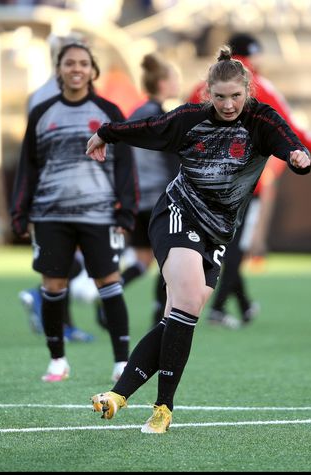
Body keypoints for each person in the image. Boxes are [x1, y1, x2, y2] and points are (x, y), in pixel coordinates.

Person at [86, 45, 311, 434]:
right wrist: (105, 133)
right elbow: (147, 129)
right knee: (187, 301)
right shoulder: (191, 119)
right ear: (208, 93)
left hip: (219, 230)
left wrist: (297, 155)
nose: (228, 104)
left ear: (248, 93)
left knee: (181, 315)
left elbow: (288, 140)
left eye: (236, 96)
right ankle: (163, 408)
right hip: (178, 211)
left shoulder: (261, 120)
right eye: (220, 96)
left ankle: (119, 396)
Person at [10, 42, 138, 383]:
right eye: (70, 63)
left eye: (83, 63)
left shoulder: (109, 111)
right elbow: (28, 167)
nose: (77, 69)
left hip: (99, 214)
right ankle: (57, 361)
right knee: (52, 284)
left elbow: (125, 164)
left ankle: (121, 363)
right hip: (50, 214)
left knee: (108, 282)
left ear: (93, 70)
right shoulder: (42, 113)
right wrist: (19, 211)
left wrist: (126, 210)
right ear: (59, 69)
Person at [187, 32, 311, 328]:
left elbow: (182, 125)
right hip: (241, 181)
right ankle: (217, 308)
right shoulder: (257, 86)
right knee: (233, 246)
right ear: (252, 56)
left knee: (219, 244)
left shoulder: (203, 87)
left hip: (201, 181)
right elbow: (293, 132)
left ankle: (242, 304)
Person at [17, 33, 98, 343]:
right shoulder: (67, 96)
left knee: (65, 256)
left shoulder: (37, 95)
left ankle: (60, 321)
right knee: (73, 256)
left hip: (48, 186)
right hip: (67, 185)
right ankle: (43, 301)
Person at [115, 52, 181, 325]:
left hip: (137, 198)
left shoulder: (135, 113)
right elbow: (171, 161)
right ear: (163, 83)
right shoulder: (161, 117)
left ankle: (109, 295)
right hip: (158, 199)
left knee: (143, 259)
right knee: (169, 258)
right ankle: (159, 315)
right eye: (174, 78)